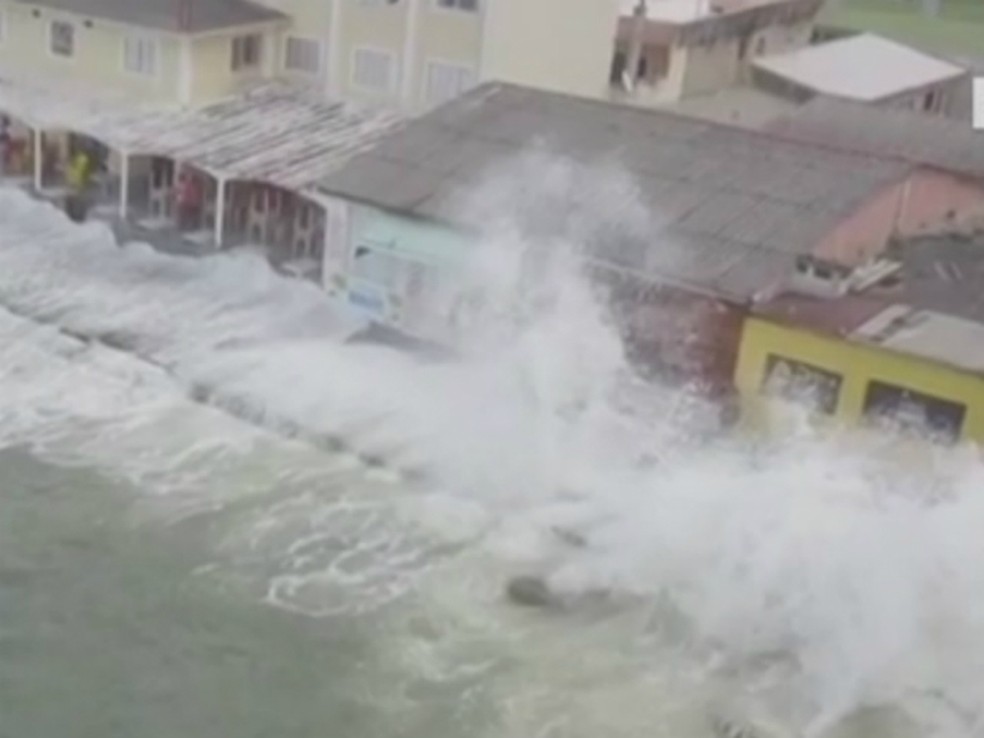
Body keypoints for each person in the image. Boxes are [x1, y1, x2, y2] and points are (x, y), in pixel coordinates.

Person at [64, 149, 93, 222]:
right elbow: (86, 172)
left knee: (73, 200)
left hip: (75, 183)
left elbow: (75, 171)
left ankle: (73, 216)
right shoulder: (83, 159)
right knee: (78, 200)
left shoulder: (79, 160)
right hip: (79, 183)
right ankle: (79, 216)